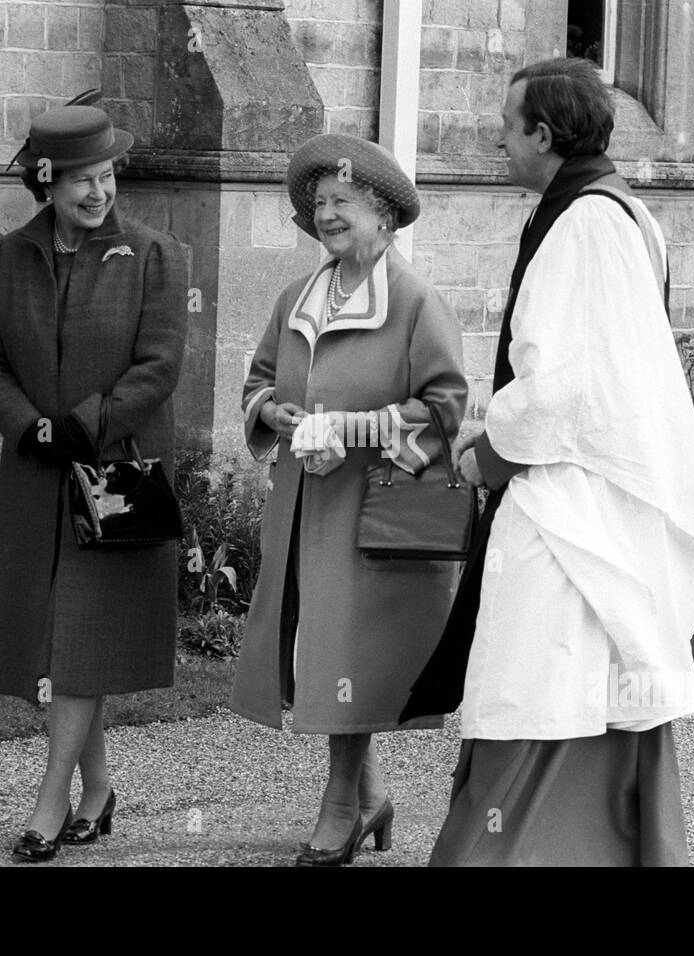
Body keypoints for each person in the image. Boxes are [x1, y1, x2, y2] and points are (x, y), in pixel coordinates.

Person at [404, 57, 694, 866]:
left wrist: (481, 453)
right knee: (590, 677)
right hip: (598, 489)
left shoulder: (584, 222)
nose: (498, 137)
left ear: (544, 135)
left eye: (508, 124)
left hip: (568, 497)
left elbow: (559, 387)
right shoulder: (620, 211)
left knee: (542, 676)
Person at [230, 133, 467, 866]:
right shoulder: (295, 297)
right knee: (318, 652)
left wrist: (357, 429)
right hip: (302, 507)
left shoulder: (417, 302)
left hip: (374, 510)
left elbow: (448, 404)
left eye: (344, 203)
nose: (327, 215)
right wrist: (274, 413)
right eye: (320, 203)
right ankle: (372, 801)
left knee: (346, 653)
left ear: (384, 217)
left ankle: (340, 809)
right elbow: (257, 382)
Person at [0, 104, 188, 862]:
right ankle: (98, 792)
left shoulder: (157, 256)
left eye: (107, 175)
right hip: (37, 476)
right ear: (46, 181)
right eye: (81, 180)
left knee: (82, 634)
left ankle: (51, 799)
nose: (99, 192)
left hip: (116, 473)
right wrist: (30, 426)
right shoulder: (5, 258)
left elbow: (160, 364)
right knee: (64, 641)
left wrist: (87, 424)